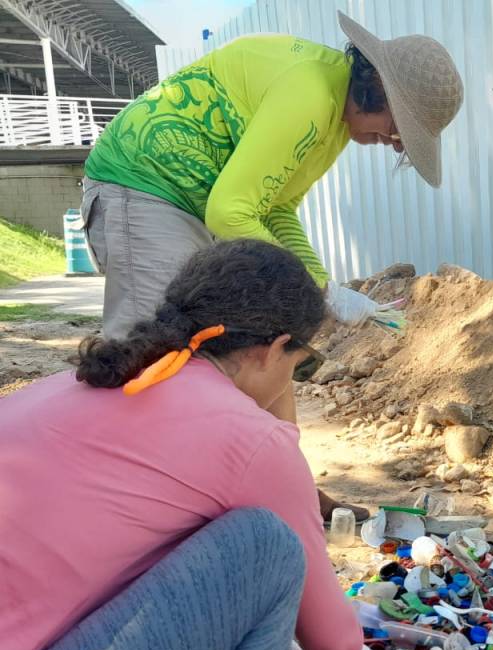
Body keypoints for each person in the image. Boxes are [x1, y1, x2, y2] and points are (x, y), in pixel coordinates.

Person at [0, 240, 376, 650]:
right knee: (265, 551)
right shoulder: (252, 439)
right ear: (274, 349)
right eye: (300, 366)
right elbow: (337, 648)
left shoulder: (63, 388)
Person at [81, 12, 464, 518]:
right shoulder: (310, 95)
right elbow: (230, 210)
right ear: (378, 90)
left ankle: (286, 482)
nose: (395, 142)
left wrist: (317, 284)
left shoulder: (333, 123)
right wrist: (318, 293)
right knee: (149, 354)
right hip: (144, 185)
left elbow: (275, 208)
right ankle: (124, 502)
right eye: (400, 128)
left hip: (190, 199)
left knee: (271, 335)